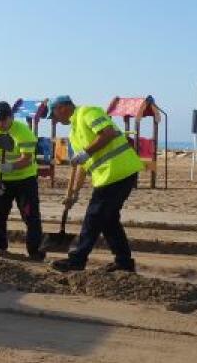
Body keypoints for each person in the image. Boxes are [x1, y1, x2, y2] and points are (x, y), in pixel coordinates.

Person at [47, 95, 145, 273]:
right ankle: (124, 262)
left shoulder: (87, 111)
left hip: (118, 171)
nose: (54, 120)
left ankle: (77, 260)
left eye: (53, 115)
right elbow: (83, 167)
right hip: (107, 176)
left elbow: (107, 133)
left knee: (93, 217)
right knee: (108, 221)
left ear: (62, 107)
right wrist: (74, 193)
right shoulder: (74, 133)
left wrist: (86, 151)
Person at [0, 101, 44, 260]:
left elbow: (27, 159)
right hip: (2, 181)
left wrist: (10, 167)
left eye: (4, 119)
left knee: (31, 216)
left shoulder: (23, 132)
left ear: (11, 117)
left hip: (25, 180)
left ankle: (35, 252)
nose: (1, 123)